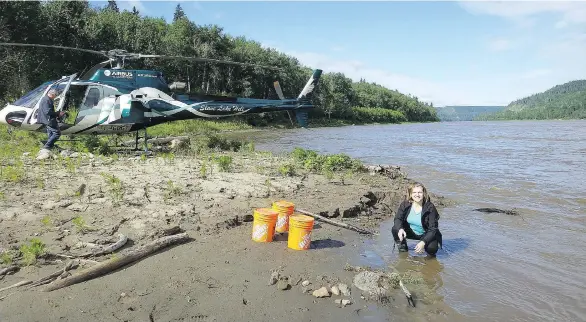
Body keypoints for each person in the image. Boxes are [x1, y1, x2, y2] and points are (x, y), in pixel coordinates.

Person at [392, 182, 443, 256]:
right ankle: (403, 249)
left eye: (420, 192)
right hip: (410, 232)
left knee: (432, 249)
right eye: (414, 192)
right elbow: (397, 218)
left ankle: (429, 258)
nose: (417, 195)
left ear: (424, 193)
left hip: (425, 234)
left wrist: (423, 242)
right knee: (395, 229)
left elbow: (433, 229)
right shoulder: (405, 204)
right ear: (410, 194)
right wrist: (400, 229)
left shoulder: (430, 207)